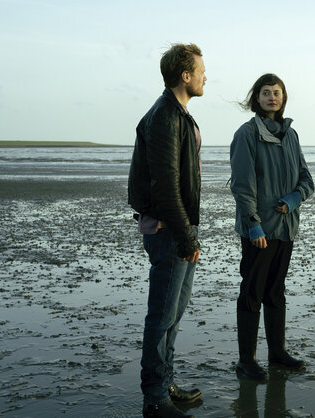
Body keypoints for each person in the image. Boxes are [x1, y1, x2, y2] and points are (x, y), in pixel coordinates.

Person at [128, 43, 206, 418]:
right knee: (161, 316)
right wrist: (187, 237)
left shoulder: (178, 114)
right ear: (185, 75)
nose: (207, 76)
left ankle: (166, 384)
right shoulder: (164, 116)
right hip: (168, 230)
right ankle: (155, 399)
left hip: (179, 227)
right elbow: (166, 185)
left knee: (172, 315)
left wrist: (189, 230)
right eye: (202, 70)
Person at [230, 73, 315, 380]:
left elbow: (307, 179)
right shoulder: (246, 134)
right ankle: (246, 360)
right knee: (252, 293)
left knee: (276, 292)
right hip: (259, 232)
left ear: (283, 97)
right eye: (266, 92)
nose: (272, 97)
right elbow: (242, 185)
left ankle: (277, 353)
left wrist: (294, 198)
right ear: (257, 98)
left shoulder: (291, 135)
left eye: (277, 92)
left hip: (286, 228)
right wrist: (253, 224)